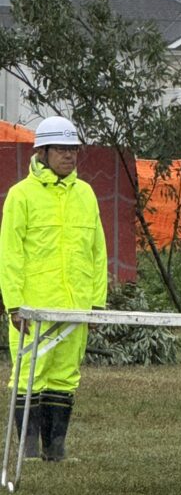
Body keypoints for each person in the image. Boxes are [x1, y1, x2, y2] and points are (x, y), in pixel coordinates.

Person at [0, 116, 108, 461]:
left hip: (76, 307)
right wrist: (14, 305)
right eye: (61, 149)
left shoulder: (86, 194)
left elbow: (98, 252)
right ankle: (28, 452)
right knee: (29, 375)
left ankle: (55, 451)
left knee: (65, 376)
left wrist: (97, 304)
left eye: (73, 149)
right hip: (33, 309)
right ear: (42, 152)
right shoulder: (21, 196)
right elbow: (10, 255)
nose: (69, 155)